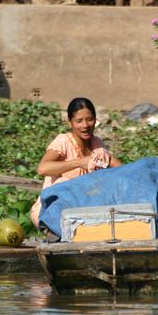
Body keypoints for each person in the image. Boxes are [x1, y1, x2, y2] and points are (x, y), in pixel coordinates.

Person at [30, 97, 122, 230]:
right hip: (53, 211)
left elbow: (121, 169)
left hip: (84, 210)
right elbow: (42, 168)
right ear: (70, 122)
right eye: (79, 121)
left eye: (89, 119)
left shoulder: (98, 144)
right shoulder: (63, 142)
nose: (85, 125)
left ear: (96, 120)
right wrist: (79, 162)